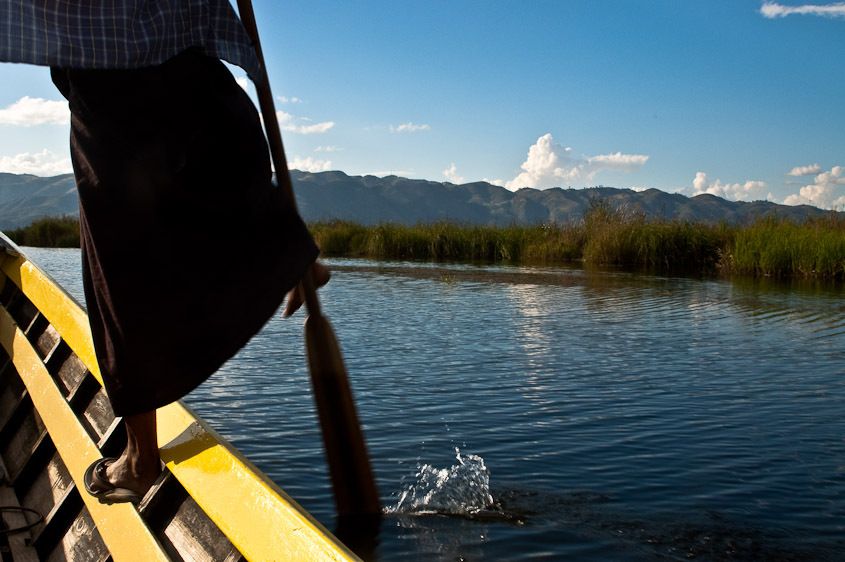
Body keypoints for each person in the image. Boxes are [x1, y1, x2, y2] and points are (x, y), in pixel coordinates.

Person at [2, 1, 328, 503]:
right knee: (210, 130)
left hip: (98, 45)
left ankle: (140, 458)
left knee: (118, 262)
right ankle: (284, 247)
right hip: (176, 36)